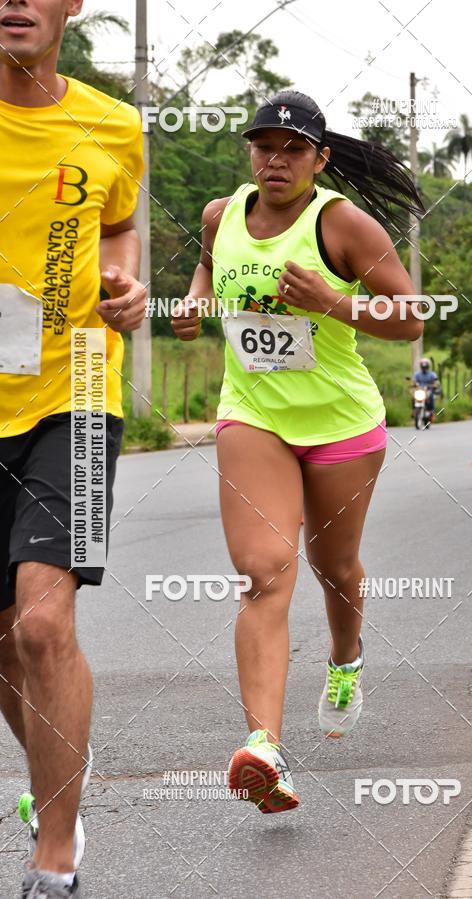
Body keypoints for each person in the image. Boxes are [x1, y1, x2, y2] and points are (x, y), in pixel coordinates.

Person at [172, 90, 424, 813]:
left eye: (291, 148)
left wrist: (334, 302)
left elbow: (409, 318)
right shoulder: (223, 213)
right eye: (263, 146)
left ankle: (346, 658)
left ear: (321, 158)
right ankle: (265, 747)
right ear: (249, 152)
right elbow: (206, 259)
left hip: (341, 422)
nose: (275, 159)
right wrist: (193, 301)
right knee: (263, 571)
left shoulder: (341, 223)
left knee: (332, 564)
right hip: (253, 414)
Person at [0, 2, 145, 895]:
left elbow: (123, 226)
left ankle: (56, 862)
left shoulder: (112, 122)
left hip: (80, 391)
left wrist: (126, 281)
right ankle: (61, 788)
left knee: (44, 624)